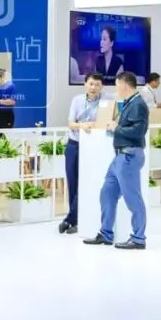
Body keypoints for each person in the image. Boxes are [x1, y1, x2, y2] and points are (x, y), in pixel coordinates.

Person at [84, 71, 148, 250]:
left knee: (133, 198)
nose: (116, 88)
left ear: (125, 84)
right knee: (107, 192)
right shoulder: (129, 103)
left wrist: (116, 128)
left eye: (117, 84)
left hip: (129, 156)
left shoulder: (138, 104)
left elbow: (139, 132)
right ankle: (106, 233)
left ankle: (138, 238)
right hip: (120, 156)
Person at [59, 72, 103, 235]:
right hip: (74, 144)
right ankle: (75, 219)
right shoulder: (77, 100)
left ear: (102, 86)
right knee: (72, 182)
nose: (93, 87)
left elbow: (107, 122)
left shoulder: (106, 101)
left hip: (93, 146)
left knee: (86, 182)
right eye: (91, 84)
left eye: (97, 85)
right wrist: (82, 125)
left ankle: (72, 218)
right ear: (85, 84)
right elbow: (70, 123)